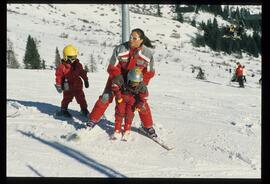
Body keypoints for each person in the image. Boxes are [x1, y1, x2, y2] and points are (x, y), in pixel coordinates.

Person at [86, 28, 157, 138]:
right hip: (118, 78)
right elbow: (112, 67)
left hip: (135, 82)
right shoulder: (121, 49)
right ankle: (93, 119)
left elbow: (150, 72)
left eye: (134, 38)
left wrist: (142, 83)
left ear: (141, 40)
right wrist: (117, 78)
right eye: (130, 37)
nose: (131, 40)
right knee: (106, 97)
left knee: (141, 102)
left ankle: (147, 126)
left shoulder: (147, 54)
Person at [111, 67, 149, 140]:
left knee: (129, 114)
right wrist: (118, 97)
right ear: (128, 79)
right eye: (133, 82)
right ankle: (117, 129)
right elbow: (115, 86)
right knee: (119, 112)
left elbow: (144, 97)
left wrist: (139, 105)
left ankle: (127, 129)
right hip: (122, 98)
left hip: (132, 99)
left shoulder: (141, 85)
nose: (135, 85)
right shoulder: (121, 78)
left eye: (137, 83)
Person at [54, 44, 89, 117]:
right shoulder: (62, 67)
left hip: (78, 86)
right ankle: (64, 110)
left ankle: (84, 109)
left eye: (75, 57)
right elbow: (58, 76)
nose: (73, 60)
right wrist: (59, 85)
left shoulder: (78, 65)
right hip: (68, 87)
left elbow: (82, 72)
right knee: (66, 99)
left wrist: (85, 80)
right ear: (65, 57)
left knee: (81, 98)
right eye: (71, 58)